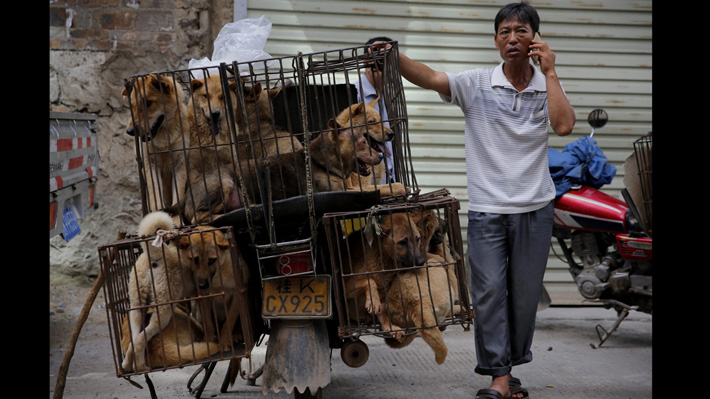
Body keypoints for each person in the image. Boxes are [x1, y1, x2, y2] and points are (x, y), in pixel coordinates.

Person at [398, 2, 575, 399]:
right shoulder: (477, 84)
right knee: (490, 292)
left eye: (521, 31)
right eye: (505, 32)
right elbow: (430, 78)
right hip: (487, 211)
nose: (513, 38)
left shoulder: (545, 85)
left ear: (535, 39)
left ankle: (507, 372)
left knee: (525, 296)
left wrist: (550, 72)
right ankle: (498, 377)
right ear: (496, 40)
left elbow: (563, 125)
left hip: (535, 208)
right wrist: (393, 55)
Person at [354, 36, 396, 184]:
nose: (386, 67)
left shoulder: (392, 97)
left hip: (390, 180)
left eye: (389, 62)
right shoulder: (354, 94)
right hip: (367, 183)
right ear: (366, 62)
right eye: (380, 61)